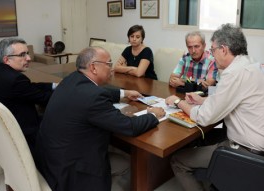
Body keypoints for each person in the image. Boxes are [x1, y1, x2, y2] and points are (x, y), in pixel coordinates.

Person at [35, 46, 165, 191]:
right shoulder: (94, 97)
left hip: (50, 159)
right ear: (94, 68)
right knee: (129, 164)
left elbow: (95, 91)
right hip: (72, 171)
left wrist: (123, 93)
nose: (112, 68)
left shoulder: (71, 79)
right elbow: (129, 126)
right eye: (109, 64)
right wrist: (153, 114)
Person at [165, 23, 264, 191]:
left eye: (212, 49)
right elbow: (232, 98)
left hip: (245, 151)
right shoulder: (251, 64)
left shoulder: (233, 73)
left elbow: (204, 117)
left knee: (177, 160)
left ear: (224, 49)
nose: (211, 54)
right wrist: (203, 100)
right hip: (257, 144)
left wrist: (177, 102)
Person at [0, 37, 57, 155]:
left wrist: (53, 85)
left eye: (27, 53)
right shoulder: (16, 80)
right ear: (7, 59)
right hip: (26, 131)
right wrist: (67, 90)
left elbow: (29, 88)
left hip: (5, 129)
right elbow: (44, 99)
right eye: (22, 55)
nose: (29, 58)